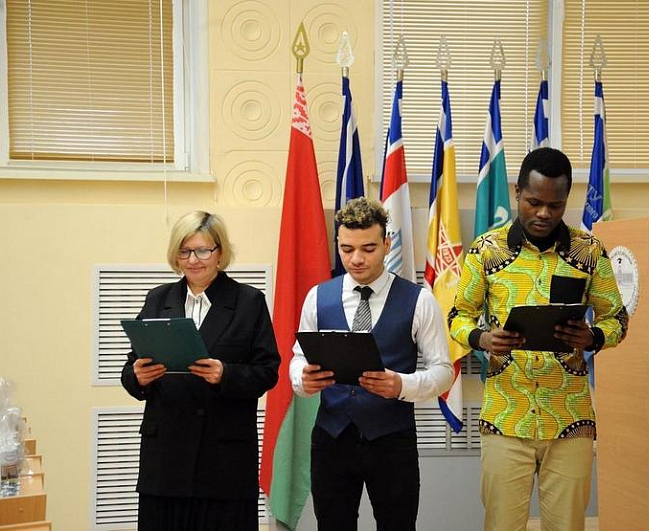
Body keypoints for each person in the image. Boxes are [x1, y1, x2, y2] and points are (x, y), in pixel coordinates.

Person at [450, 148, 628, 531]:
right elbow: (457, 316)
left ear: (566, 199)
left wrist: (594, 336)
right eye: (534, 202)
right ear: (517, 193)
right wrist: (482, 338)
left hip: (570, 420)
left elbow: (617, 318)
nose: (544, 213)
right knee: (502, 525)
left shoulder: (589, 251)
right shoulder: (486, 250)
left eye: (555, 205)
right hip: (505, 417)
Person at [289, 197, 454, 531]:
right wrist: (301, 380)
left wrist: (402, 385)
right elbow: (298, 357)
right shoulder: (317, 297)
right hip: (331, 437)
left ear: (386, 244)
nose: (356, 259)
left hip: (392, 439)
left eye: (368, 248)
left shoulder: (419, 300)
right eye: (346, 249)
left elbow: (444, 372)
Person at [121, 211, 280, 531]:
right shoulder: (158, 299)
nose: (193, 260)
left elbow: (267, 372)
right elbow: (131, 367)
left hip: (223, 461)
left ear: (220, 253)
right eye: (185, 251)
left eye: (203, 250)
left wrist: (226, 374)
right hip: (165, 458)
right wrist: (137, 378)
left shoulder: (248, 301)